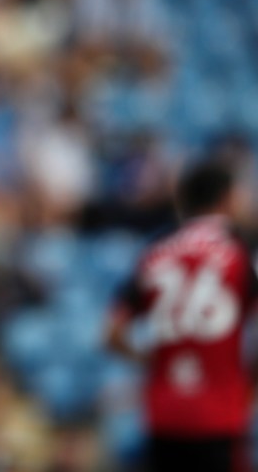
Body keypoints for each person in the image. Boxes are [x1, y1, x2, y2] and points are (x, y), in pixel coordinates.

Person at [104, 156, 258, 472]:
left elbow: (113, 332)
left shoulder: (155, 251)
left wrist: (155, 360)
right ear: (228, 199)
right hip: (220, 413)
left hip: (164, 413)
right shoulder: (241, 250)